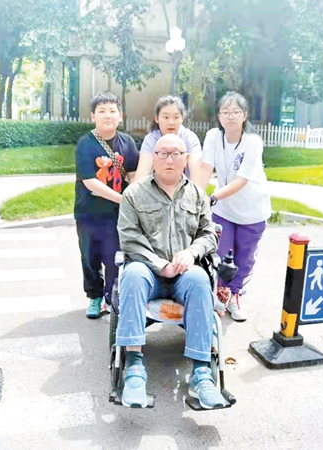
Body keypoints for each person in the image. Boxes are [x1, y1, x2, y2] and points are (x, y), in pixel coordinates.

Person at [115, 134, 226, 410]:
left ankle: (201, 373)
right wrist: (159, 265)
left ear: (185, 159)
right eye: (163, 153)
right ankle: (134, 370)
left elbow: (208, 235)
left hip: (183, 273)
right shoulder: (134, 194)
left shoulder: (197, 195)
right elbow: (130, 238)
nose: (169, 159)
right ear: (154, 158)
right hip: (148, 271)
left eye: (176, 154)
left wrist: (192, 253)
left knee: (200, 278)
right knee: (132, 274)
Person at [200, 91, 271, 322]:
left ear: (244, 115)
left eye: (236, 111)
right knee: (220, 255)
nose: (230, 116)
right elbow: (205, 168)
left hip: (253, 211)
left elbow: (241, 180)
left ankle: (235, 296)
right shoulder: (213, 137)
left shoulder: (252, 142)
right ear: (219, 116)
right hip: (224, 210)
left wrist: (212, 198)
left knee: (244, 259)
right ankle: (221, 296)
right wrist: (197, 195)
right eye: (225, 112)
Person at [75, 92, 139, 319]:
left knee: (114, 257)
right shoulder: (85, 143)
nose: (107, 116)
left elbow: (133, 174)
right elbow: (90, 182)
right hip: (88, 213)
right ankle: (94, 297)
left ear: (120, 116)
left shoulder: (127, 142)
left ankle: (112, 297)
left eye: (112, 111)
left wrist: (134, 196)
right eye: (101, 111)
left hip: (116, 216)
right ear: (93, 116)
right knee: (90, 257)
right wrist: (123, 199)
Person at [134, 95, 202, 185]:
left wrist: (195, 193)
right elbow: (141, 175)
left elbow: (196, 174)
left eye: (176, 117)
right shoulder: (151, 140)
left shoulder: (190, 139)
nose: (171, 122)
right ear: (157, 118)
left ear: (182, 118)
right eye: (166, 117)